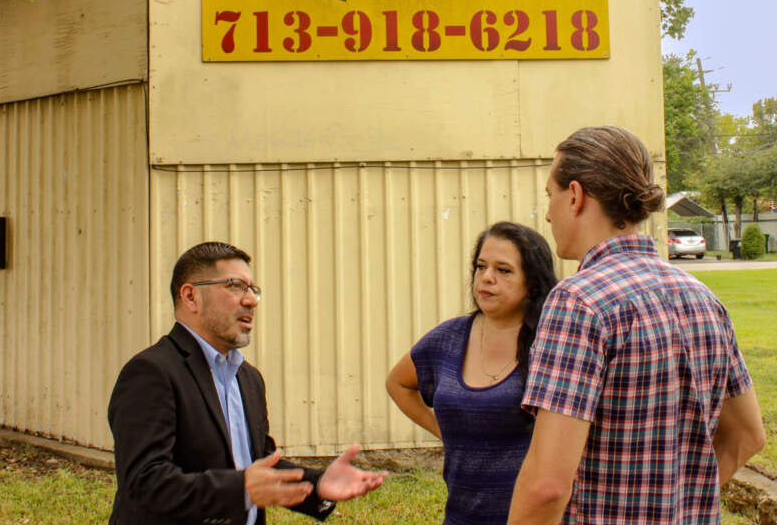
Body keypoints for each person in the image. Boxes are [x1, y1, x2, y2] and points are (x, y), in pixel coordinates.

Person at [507, 126, 767, 525]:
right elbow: (748, 436)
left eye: (550, 196)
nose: (546, 212)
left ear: (574, 196)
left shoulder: (578, 302)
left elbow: (546, 486)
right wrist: (680, 503)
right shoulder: (702, 297)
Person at [108, 241, 386, 525]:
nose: (251, 300)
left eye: (253, 289)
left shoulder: (248, 378)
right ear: (191, 297)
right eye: (235, 286)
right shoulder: (151, 372)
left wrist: (318, 485)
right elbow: (144, 481)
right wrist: (239, 489)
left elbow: (257, 460)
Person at [385, 221, 558, 524]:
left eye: (503, 270)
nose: (487, 278)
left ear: (531, 282)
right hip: (461, 515)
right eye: (481, 267)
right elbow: (398, 384)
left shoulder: (550, 343)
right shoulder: (448, 338)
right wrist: (444, 431)